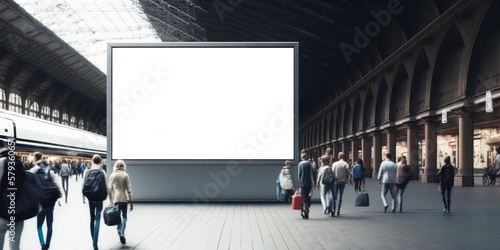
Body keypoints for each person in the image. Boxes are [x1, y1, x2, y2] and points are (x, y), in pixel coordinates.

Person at [29, 152, 62, 250]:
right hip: (50, 203)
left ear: (35, 158)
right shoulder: (49, 170)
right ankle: (47, 245)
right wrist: (58, 197)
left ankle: (42, 244)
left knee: (39, 225)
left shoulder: (33, 170)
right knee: (49, 225)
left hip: (40, 203)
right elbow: (57, 185)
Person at [0, 141, 25, 250]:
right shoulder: (18, 162)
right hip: (18, 213)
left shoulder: (1, 161)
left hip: (2, 213)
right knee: (14, 246)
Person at [82, 155, 108, 250]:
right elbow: (106, 185)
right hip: (99, 197)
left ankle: (93, 240)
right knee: (97, 219)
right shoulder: (102, 172)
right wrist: (109, 196)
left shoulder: (88, 172)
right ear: (100, 162)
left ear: (93, 161)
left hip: (90, 198)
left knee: (91, 218)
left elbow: (83, 185)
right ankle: (95, 242)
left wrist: (84, 198)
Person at [108, 160, 134, 244]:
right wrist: (131, 201)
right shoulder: (126, 175)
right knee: (125, 216)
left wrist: (111, 200)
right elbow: (129, 190)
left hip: (116, 199)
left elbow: (110, 189)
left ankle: (119, 231)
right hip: (124, 199)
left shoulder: (113, 175)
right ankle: (122, 231)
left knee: (118, 216)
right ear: (123, 166)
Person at [331, 152, 350, 216]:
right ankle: (338, 211)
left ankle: (333, 209)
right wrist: (348, 179)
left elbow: (332, 172)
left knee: (334, 196)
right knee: (340, 196)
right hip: (343, 182)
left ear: (339, 156)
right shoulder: (345, 164)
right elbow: (349, 173)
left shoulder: (335, 164)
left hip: (336, 182)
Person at [298, 152, 315, 219]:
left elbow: (299, 174)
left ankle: (303, 210)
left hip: (302, 183)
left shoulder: (300, 164)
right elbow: (312, 173)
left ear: (301, 157)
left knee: (303, 198)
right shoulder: (310, 163)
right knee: (308, 196)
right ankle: (307, 208)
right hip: (309, 183)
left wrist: (298, 184)